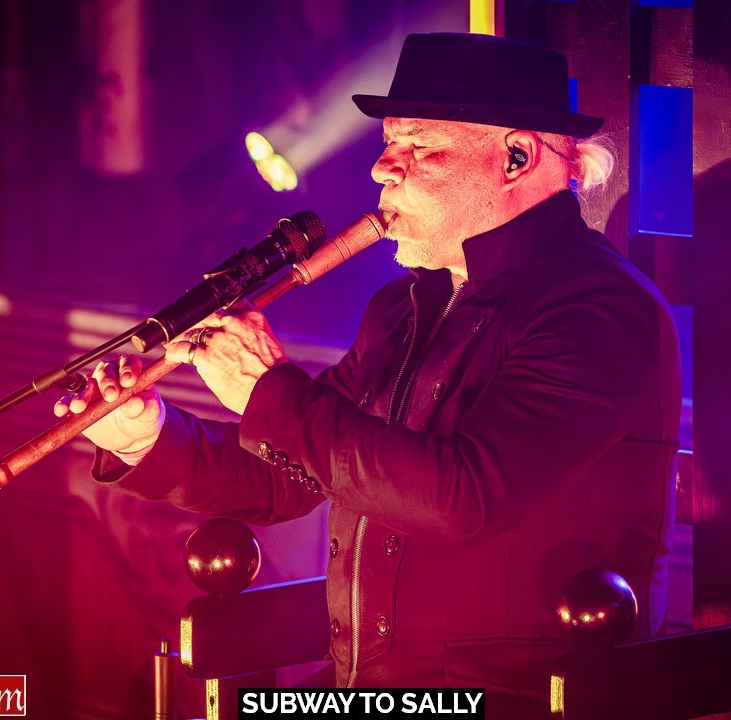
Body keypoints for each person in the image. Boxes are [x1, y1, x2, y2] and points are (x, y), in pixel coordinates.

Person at [56, 32, 680, 716]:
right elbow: (289, 475)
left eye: (417, 146)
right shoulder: (402, 306)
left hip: (512, 701)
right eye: (388, 143)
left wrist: (268, 390)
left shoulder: (598, 308)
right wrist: (146, 437)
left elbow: (463, 497)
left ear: (516, 157)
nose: (383, 167)